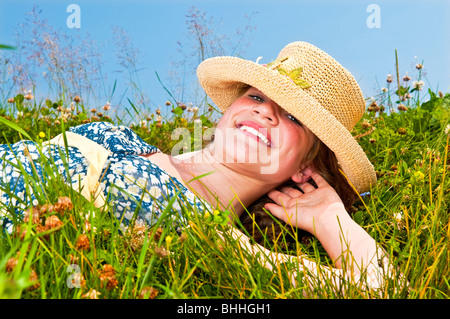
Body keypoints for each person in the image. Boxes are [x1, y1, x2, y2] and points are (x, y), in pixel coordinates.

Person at [0, 41, 389, 291]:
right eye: (256, 95)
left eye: (293, 118)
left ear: (307, 168)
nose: (265, 111)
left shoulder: (214, 240)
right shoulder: (129, 139)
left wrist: (329, 216)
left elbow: (379, 287)